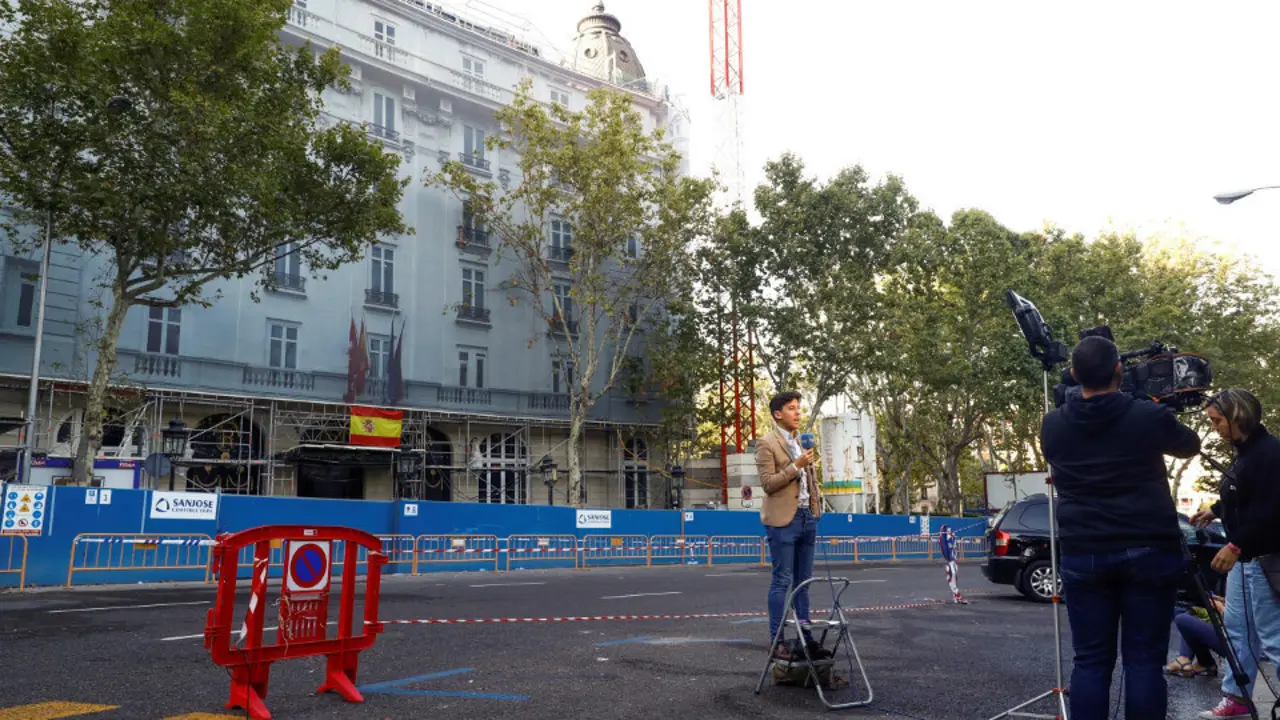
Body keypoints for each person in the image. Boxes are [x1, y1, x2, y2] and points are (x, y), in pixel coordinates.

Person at [1040, 335, 1202, 720]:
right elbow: (1190, 445)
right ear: (1118, 370)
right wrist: (1155, 406)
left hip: (1084, 551)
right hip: (1148, 550)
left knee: (1091, 661)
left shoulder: (1053, 425)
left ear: (1074, 374)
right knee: (1143, 661)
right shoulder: (1147, 416)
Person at [1191, 388, 1280, 719]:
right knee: (1238, 632)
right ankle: (1237, 697)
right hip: (1246, 560)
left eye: (1217, 421)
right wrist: (1215, 510)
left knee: (1272, 636)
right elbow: (1244, 494)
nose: (1214, 428)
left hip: (1265, 559)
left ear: (1238, 416)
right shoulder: (1246, 453)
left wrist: (1235, 544)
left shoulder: (1270, 453)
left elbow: (1271, 510)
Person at [755, 390, 825, 661]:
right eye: (792, 408)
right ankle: (778, 642)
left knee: (803, 583)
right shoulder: (766, 443)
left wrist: (816, 509)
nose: (797, 413)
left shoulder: (801, 441)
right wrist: (796, 465)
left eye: (798, 408)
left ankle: (806, 639)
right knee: (782, 581)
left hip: (807, 516)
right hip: (783, 521)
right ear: (778, 414)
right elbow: (768, 484)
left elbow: (810, 481)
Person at [1165, 594, 1227, 678]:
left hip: (1233, 644)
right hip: (1235, 641)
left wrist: (1221, 608)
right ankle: (1205, 662)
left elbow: (1237, 622)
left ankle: (1184, 658)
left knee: (1182, 619)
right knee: (1195, 616)